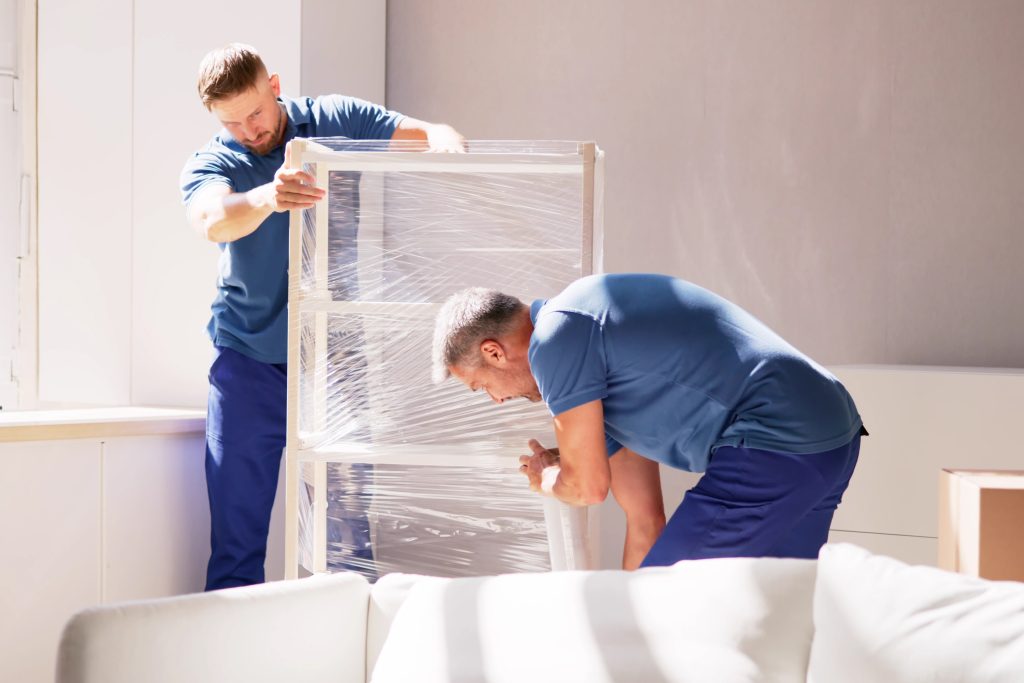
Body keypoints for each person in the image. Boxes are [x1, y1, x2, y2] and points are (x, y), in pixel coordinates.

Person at [181, 43, 465, 590]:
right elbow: (210, 219)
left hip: (335, 361)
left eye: (256, 113)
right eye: (232, 122)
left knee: (350, 535)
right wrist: (268, 196)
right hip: (249, 364)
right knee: (236, 537)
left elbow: (428, 132)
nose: (249, 130)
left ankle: (353, 657)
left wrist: (446, 143)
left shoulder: (333, 119)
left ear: (276, 85)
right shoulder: (215, 159)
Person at [432, 273, 866, 569]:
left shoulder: (556, 339)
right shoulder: (592, 358)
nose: (497, 400)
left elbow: (586, 487)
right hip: (829, 435)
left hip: (777, 439)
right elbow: (645, 522)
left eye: (482, 386)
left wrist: (548, 476)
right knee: (775, 608)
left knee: (673, 606)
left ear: (493, 352)